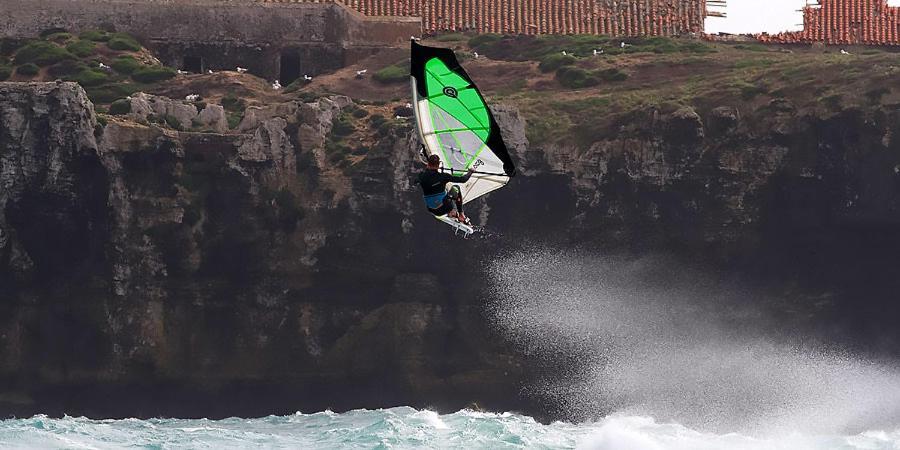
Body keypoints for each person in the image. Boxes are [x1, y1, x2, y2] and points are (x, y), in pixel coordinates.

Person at [418, 154, 474, 224]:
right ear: (438, 165)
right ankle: (460, 214)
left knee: (444, 190)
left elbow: (423, 178)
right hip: (445, 208)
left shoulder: (421, 176)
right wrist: (470, 172)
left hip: (431, 210)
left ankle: (452, 212)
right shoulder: (444, 176)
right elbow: (463, 179)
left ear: (428, 164)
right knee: (456, 188)